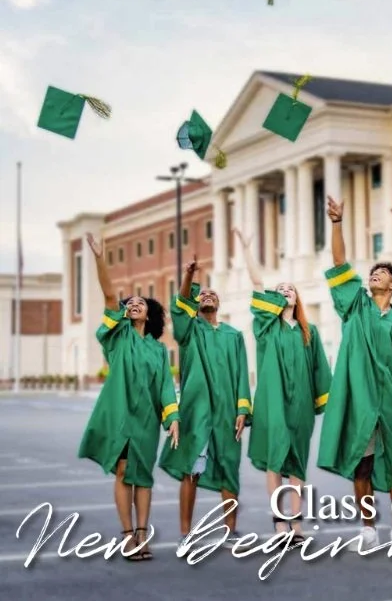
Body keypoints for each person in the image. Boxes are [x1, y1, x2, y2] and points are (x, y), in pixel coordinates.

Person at [318, 195, 392, 552]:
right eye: (372, 273)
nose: (373, 275)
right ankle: (367, 527)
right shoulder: (355, 307)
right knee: (361, 465)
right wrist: (336, 222)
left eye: (381, 273)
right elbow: (339, 261)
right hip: (362, 401)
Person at [78, 233, 180, 561]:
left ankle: (142, 533)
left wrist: (173, 418)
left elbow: (165, 386)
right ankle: (127, 535)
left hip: (147, 420)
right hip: (121, 415)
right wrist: (98, 257)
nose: (134, 303)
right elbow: (110, 295)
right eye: (129, 303)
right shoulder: (118, 337)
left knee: (143, 475)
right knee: (123, 471)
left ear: (149, 313)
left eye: (140, 302)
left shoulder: (158, 349)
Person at [234, 228, 332, 546]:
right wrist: (249, 252)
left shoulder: (309, 332)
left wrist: (324, 405)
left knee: (297, 462)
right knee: (276, 457)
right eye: (281, 289)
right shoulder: (266, 327)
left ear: (297, 297)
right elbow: (258, 284)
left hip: (301, 404)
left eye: (290, 288)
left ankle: (296, 524)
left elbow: (320, 369)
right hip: (273, 402)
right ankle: (280, 523)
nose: (285, 291)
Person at [159, 257, 252, 548]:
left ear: (220, 304)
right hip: (197, 411)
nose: (207, 296)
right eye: (202, 295)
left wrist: (242, 409)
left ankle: (231, 530)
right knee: (192, 469)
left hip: (226, 413)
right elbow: (180, 305)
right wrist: (189, 275)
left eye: (213, 294)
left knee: (229, 468)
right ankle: (186, 532)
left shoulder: (233, 336)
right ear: (195, 305)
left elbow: (241, 375)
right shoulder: (189, 333)